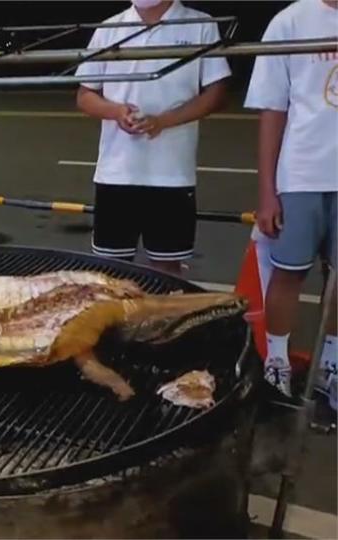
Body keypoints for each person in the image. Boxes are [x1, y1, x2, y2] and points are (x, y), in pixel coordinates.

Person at [75, 0, 230, 275]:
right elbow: (85, 95)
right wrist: (116, 112)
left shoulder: (200, 25)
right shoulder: (109, 28)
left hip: (172, 174)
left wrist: (163, 121)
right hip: (116, 173)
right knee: (110, 269)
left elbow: (216, 94)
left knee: (167, 269)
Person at [245, 0, 337, 401]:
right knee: (288, 273)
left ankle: (330, 367)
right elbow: (272, 110)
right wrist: (268, 191)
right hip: (301, 174)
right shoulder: (290, 21)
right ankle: (277, 365)